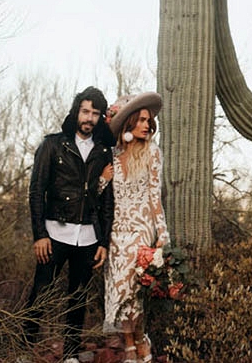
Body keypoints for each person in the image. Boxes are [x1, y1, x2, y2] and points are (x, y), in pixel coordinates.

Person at [23, 86, 116, 363]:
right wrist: (39, 235)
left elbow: (106, 201)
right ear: (76, 111)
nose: (89, 117)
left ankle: (72, 355)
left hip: (88, 237)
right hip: (54, 233)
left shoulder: (103, 152)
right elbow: (36, 192)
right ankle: (22, 351)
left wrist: (104, 242)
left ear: (100, 117)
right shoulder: (52, 145)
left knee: (78, 299)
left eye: (95, 113)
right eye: (85, 111)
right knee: (40, 294)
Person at [102, 92, 167, 363]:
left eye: (148, 121)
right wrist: (102, 181)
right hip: (116, 232)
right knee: (119, 291)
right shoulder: (113, 156)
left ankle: (140, 338)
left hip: (141, 230)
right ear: (128, 123)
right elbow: (101, 197)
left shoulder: (152, 153)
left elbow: (155, 198)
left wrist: (162, 237)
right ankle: (129, 344)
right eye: (140, 120)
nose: (146, 125)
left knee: (135, 291)